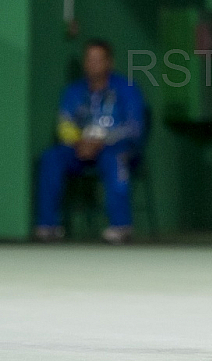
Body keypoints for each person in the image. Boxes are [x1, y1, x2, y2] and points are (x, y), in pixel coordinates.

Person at [35, 39, 145, 244]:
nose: (93, 64)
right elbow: (64, 125)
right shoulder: (73, 91)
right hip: (79, 150)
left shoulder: (127, 88)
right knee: (51, 158)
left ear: (109, 62)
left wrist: (102, 141)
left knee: (116, 160)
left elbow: (134, 128)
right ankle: (47, 226)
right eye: (89, 59)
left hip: (114, 149)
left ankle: (121, 226)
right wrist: (80, 142)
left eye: (98, 59)